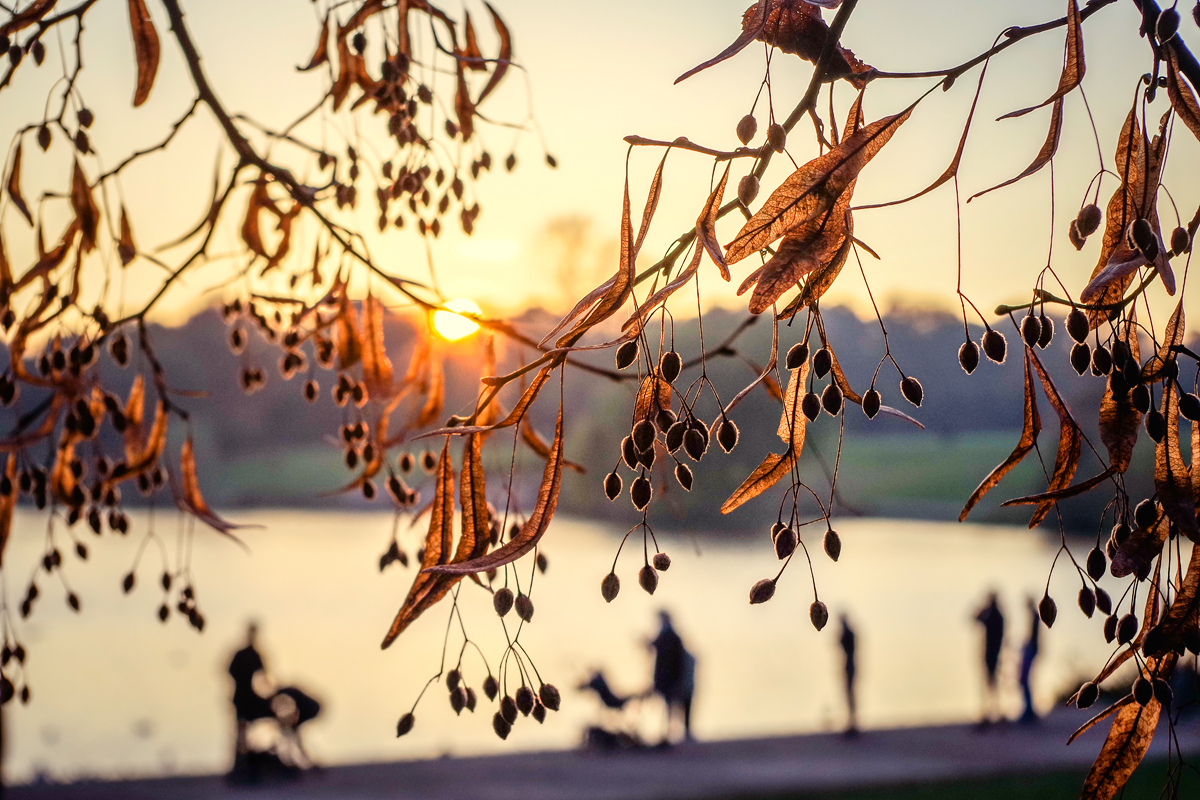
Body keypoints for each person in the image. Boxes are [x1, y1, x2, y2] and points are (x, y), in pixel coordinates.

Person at [229, 622, 275, 761]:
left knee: (242, 730)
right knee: (241, 730)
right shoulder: (248, 654)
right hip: (244, 697)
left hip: (245, 697)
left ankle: (245, 759)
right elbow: (265, 677)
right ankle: (241, 760)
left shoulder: (250, 654)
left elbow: (265, 677)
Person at [649, 611, 695, 744]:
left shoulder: (670, 637)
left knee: (672, 707)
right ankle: (677, 734)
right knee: (674, 707)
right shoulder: (671, 637)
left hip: (671, 680)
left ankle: (672, 734)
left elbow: (674, 660)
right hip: (673, 680)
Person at [974, 592, 1005, 726]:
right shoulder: (999, 615)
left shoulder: (993, 615)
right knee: (992, 683)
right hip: (995, 653)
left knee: (990, 683)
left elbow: (976, 619)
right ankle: (993, 711)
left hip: (991, 653)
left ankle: (991, 712)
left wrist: (983, 609)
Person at [1018, 597, 1041, 724]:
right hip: (1031, 649)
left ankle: (1029, 711)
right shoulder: (1034, 616)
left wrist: (1027, 646)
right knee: (1025, 680)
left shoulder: (1034, 616)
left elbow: (1033, 636)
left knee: (1024, 680)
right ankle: (1028, 710)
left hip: (1031, 650)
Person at [839, 614, 858, 737]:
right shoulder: (850, 633)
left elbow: (845, 648)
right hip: (850, 664)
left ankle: (852, 722)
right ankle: (851, 721)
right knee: (849, 694)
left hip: (849, 665)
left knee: (849, 694)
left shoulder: (847, 633)